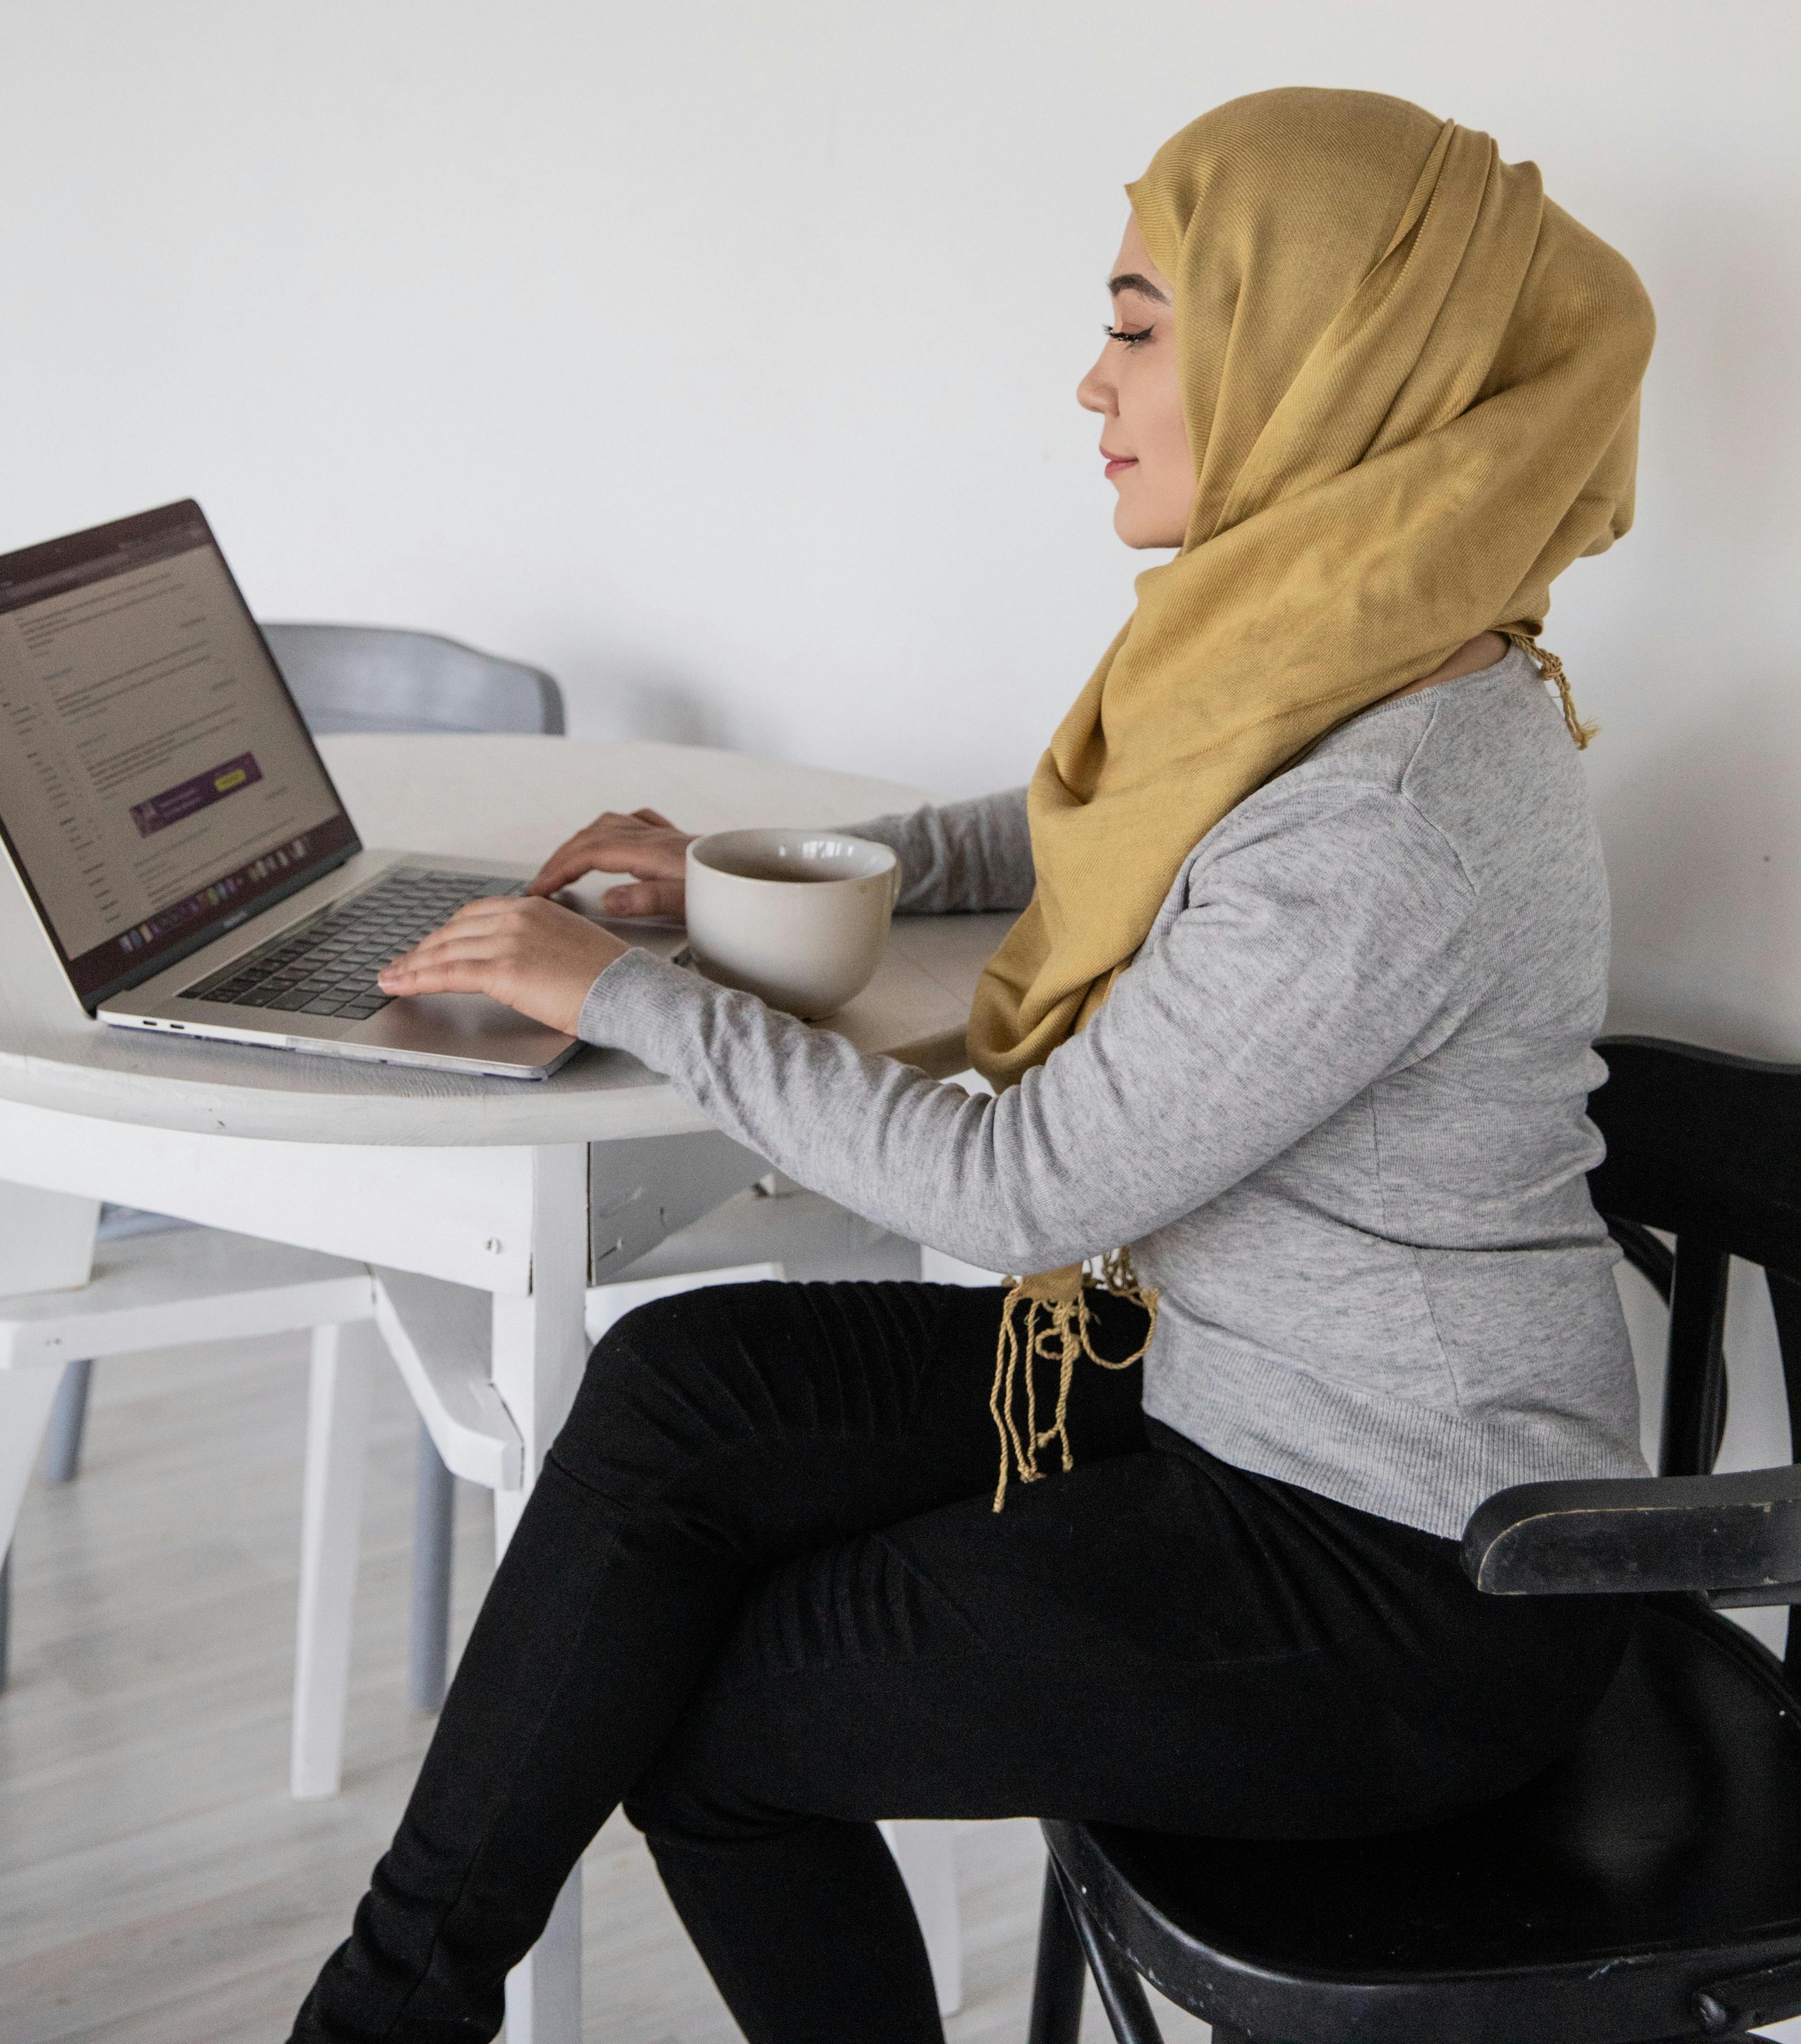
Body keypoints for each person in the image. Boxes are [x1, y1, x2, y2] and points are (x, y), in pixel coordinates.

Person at [290, 86, 1655, 2044]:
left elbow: (1013, 1189)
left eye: (1135, 322)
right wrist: (769, 875)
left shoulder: (1395, 819)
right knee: (684, 1386)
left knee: (717, 1722)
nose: (1089, 384)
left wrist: (625, 989)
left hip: (1402, 1580)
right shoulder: (1349, 644)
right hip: (1227, 1392)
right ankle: (384, 2010)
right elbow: (1104, 818)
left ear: (1313, 359)